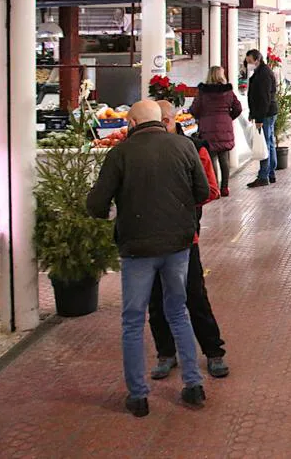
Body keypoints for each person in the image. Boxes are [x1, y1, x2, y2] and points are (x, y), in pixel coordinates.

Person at [86, 100, 210, 417]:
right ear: (160, 120)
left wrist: (115, 209)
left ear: (131, 122)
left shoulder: (121, 153)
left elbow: (97, 203)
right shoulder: (184, 146)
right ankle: (193, 386)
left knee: (132, 320)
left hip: (137, 248)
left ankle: (138, 396)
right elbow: (201, 192)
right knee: (178, 311)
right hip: (178, 245)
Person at [148, 100, 228, 381]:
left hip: (185, 237)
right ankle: (166, 353)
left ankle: (213, 351)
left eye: (163, 122)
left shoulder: (196, 148)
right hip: (150, 240)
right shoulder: (143, 152)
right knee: (156, 299)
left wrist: (177, 201)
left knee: (195, 295)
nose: (158, 129)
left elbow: (211, 189)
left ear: (171, 120)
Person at [189, 66, 242, 198]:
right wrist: (229, 117)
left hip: (208, 127)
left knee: (211, 158)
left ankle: (215, 189)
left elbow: (194, 109)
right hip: (225, 126)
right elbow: (238, 108)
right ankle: (224, 188)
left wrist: (201, 117)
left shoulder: (203, 92)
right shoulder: (228, 91)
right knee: (224, 159)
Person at [245, 49, 279, 188]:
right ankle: (270, 172)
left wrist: (258, 118)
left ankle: (264, 174)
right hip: (267, 112)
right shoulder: (262, 72)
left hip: (265, 114)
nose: (248, 64)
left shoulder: (263, 74)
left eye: (249, 62)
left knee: (264, 143)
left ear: (257, 60)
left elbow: (263, 98)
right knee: (269, 142)